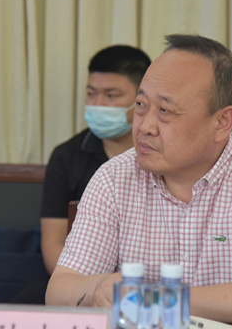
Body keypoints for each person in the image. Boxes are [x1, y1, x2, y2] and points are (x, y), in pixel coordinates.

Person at [46, 34, 232, 326]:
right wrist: (98, 289)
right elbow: (60, 289)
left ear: (222, 122)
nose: (145, 127)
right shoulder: (114, 177)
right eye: (140, 105)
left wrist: (157, 300)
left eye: (165, 111)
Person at [40, 45, 151, 274]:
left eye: (111, 95)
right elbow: (53, 243)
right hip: (81, 279)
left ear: (142, 99)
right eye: (91, 94)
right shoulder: (65, 156)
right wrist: (84, 287)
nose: (98, 104)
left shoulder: (161, 154)